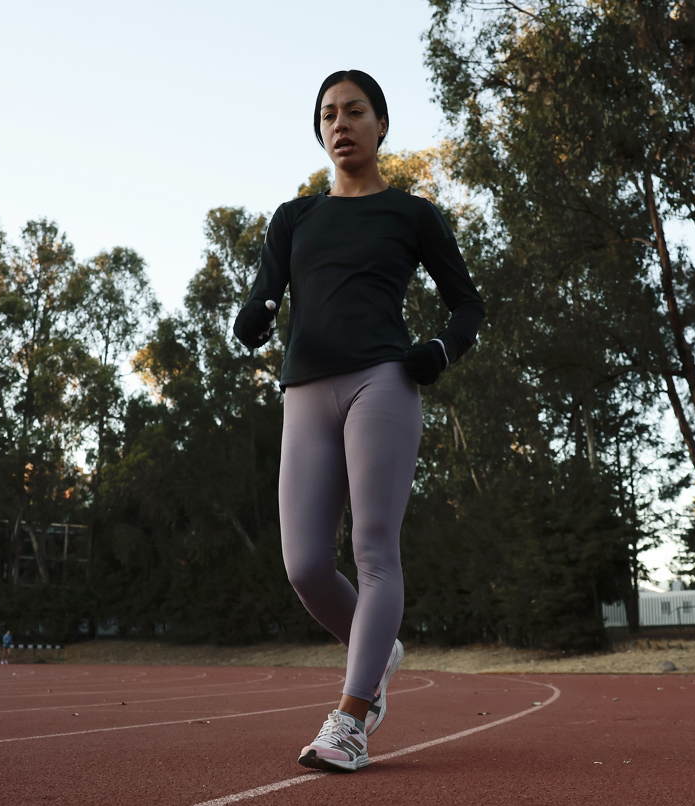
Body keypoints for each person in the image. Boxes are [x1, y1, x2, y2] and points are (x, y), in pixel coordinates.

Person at [233, 69, 484, 772]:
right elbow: (265, 294)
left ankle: (351, 718)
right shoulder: (295, 218)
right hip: (305, 392)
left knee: (374, 551)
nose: (340, 125)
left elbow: (469, 306)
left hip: (384, 380)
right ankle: (379, 651)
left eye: (354, 112)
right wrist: (253, 317)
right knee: (306, 564)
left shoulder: (412, 214)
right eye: (328, 116)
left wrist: (440, 348)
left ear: (381, 125)